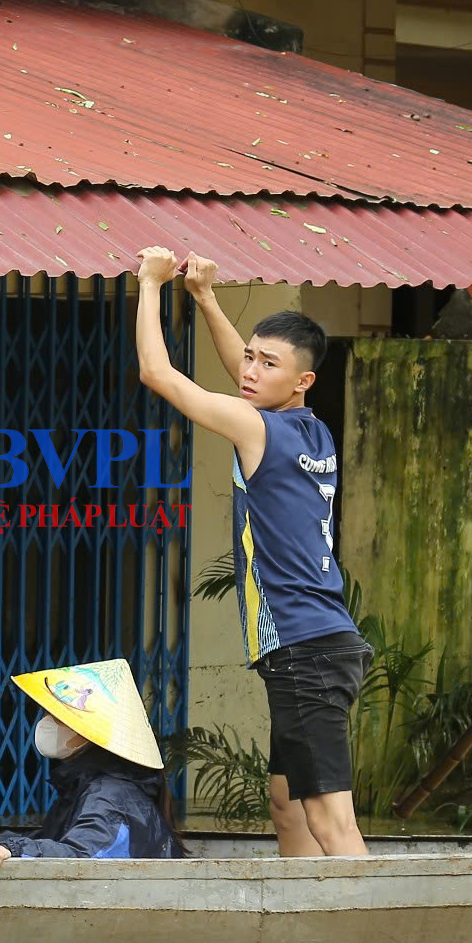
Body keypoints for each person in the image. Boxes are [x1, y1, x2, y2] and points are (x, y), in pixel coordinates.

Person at [133, 247, 371, 857]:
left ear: (302, 381)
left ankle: (370, 918)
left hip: (305, 650)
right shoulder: (310, 428)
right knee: (288, 807)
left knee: (332, 823)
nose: (250, 370)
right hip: (316, 646)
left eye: (269, 364)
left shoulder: (259, 428)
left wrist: (151, 284)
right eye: (251, 358)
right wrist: (206, 297)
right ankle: (306, 911)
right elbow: (250, 375)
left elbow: (159, 374)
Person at [0, 658, 184, 883]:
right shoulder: (94, 787)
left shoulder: (110, 795)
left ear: (87, 733)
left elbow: (78, 859)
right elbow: (49, 842)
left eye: (54, 716)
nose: (45, 722)